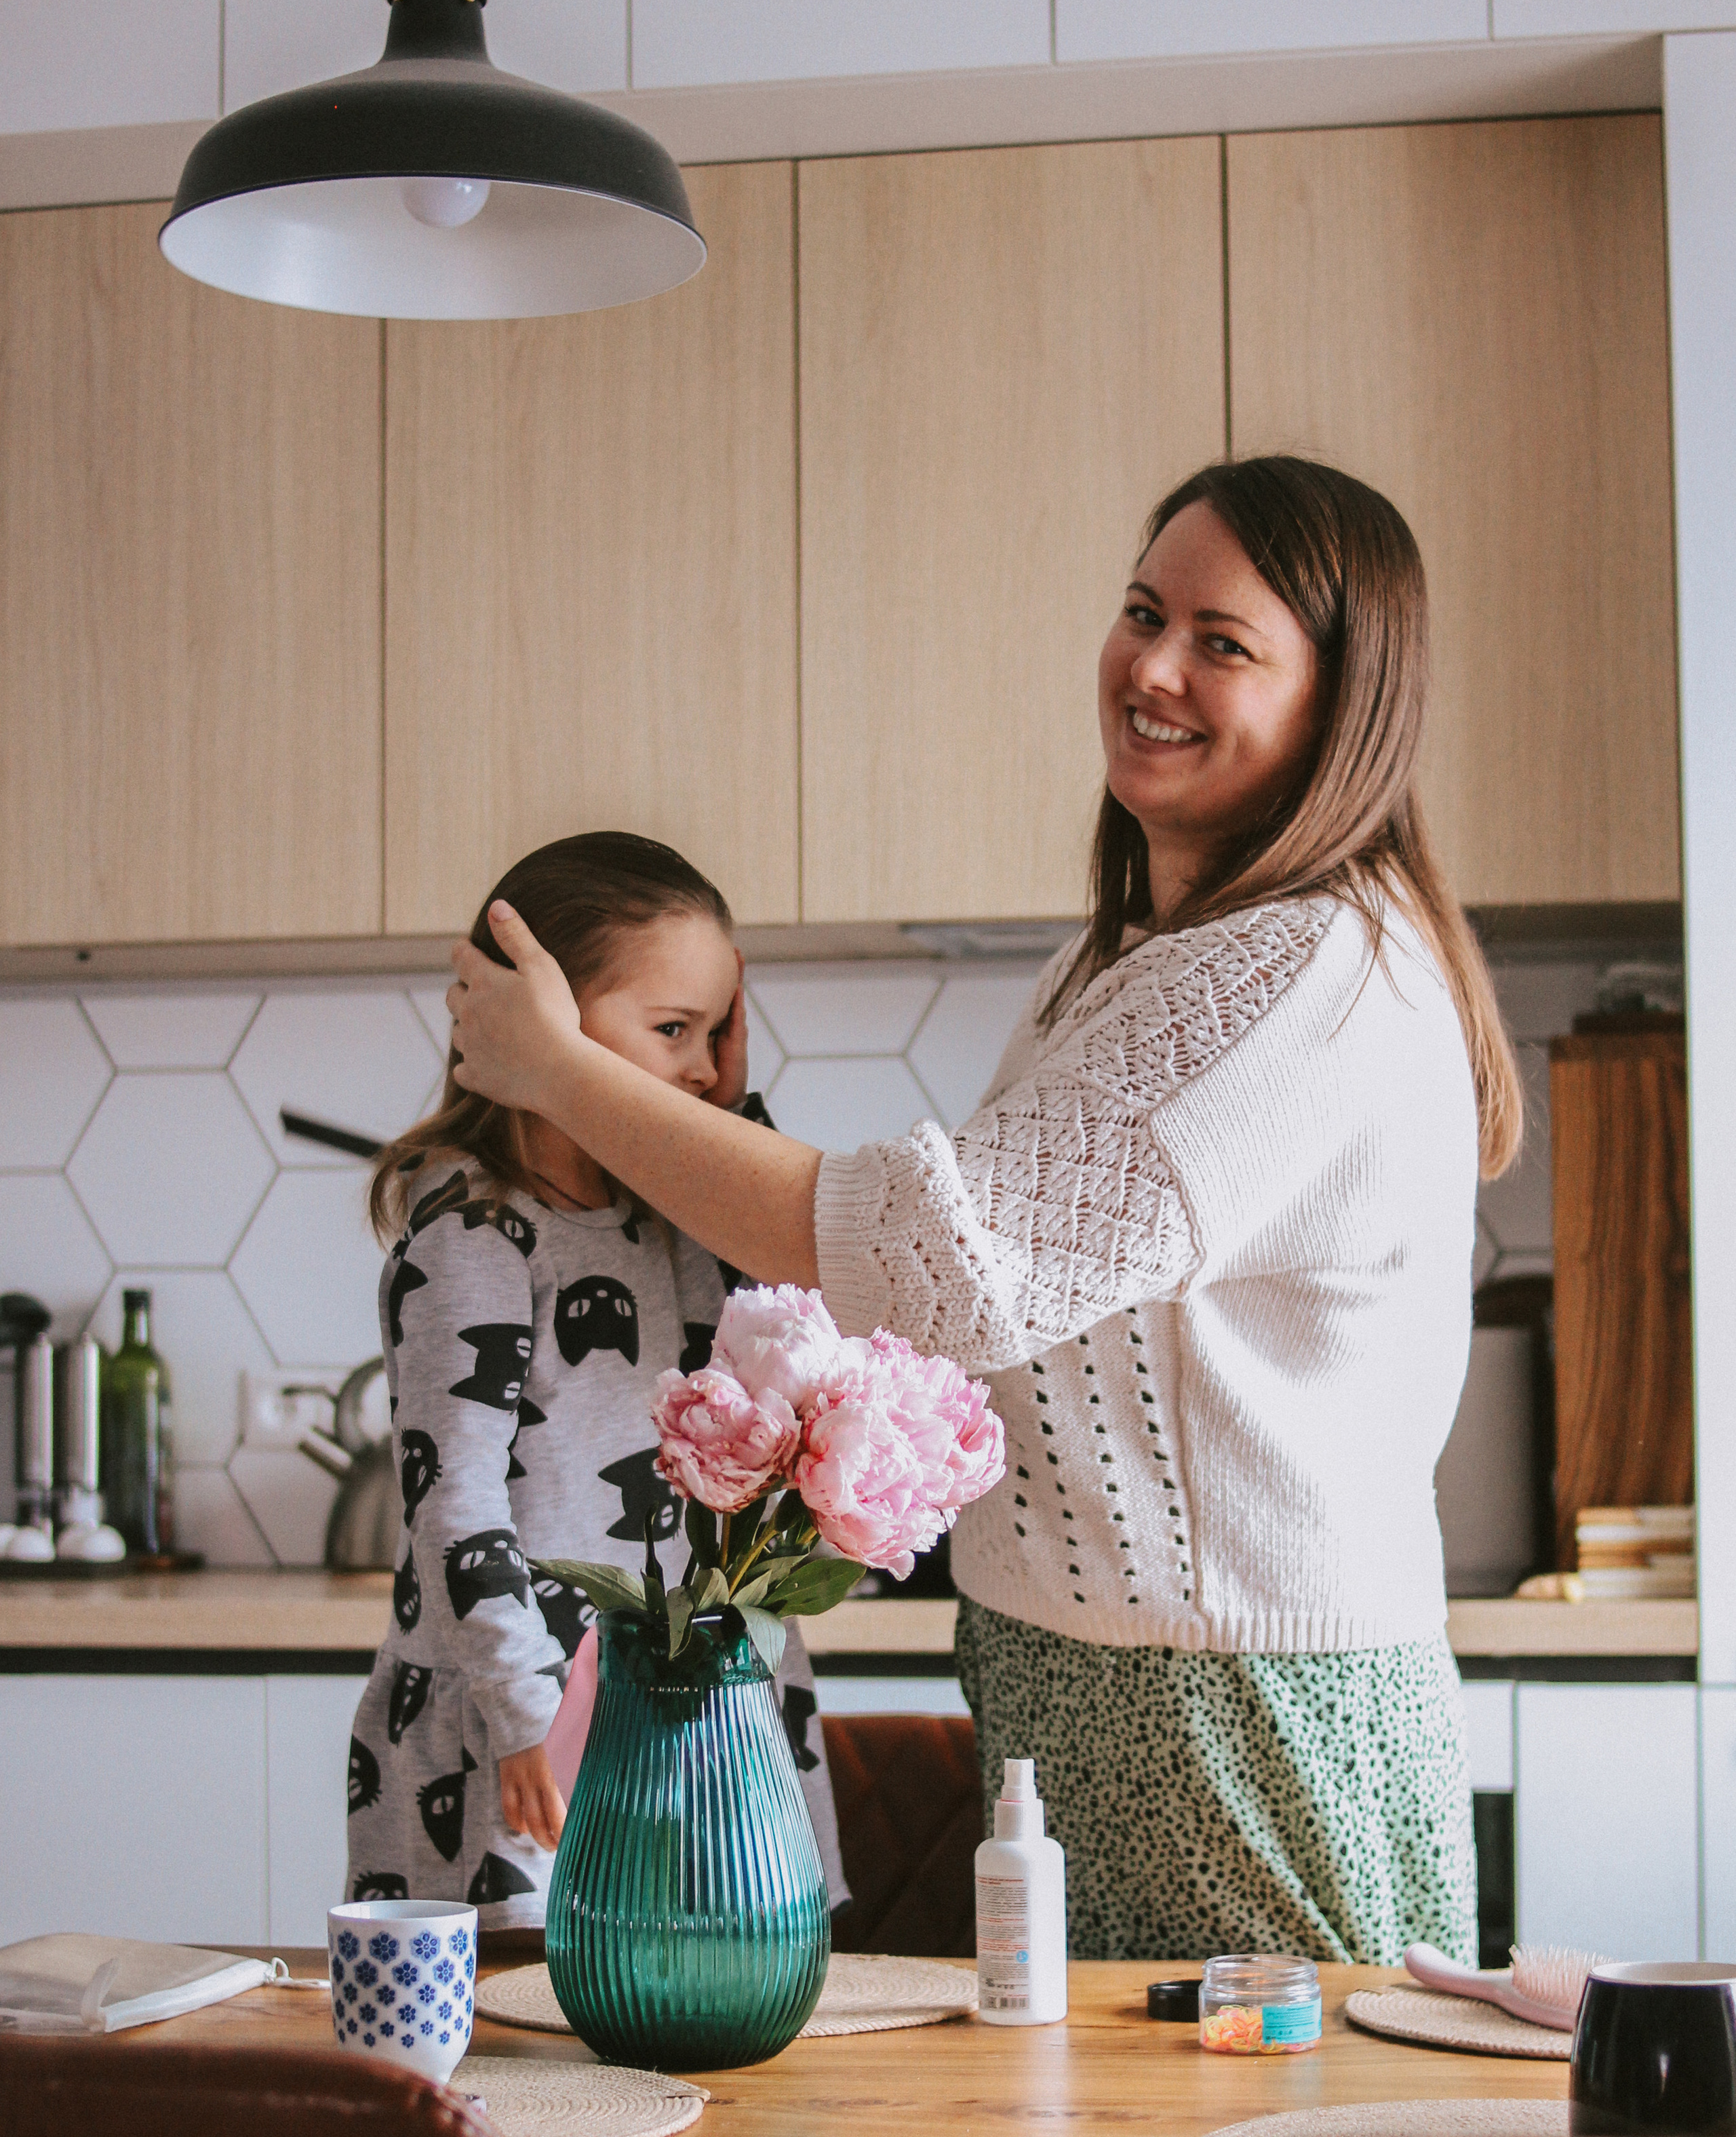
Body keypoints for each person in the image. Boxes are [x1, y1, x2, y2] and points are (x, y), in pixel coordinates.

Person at [442, 459, 1522, 1966]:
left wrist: (561, 1072)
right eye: (1142, 613)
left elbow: (935, 1268)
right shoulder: (1131, 965)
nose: (1150, 667)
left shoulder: (1290, 973)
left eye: (1223, 641)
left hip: (1224, 1718)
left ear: (1338, 702)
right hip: (1105, 1693)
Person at [346, 831, 846, 1929]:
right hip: (524, 1715)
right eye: (674, 1029)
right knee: (533, 2062)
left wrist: (733, 1112)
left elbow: (781, 1318)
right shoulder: (474, 1232)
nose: (705, 1066)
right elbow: (454, 1499)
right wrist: (523, 1715)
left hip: (684, 1704)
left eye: (718, 1033)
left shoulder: (667, 1217)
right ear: (538, 1024)